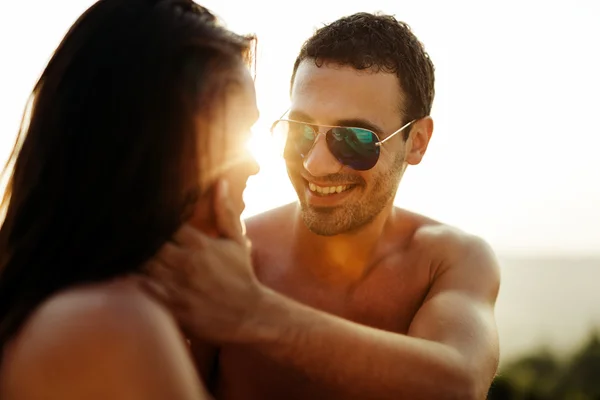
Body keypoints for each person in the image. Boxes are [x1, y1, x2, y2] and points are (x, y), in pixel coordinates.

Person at [149, 11, 502, 400]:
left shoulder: (447, 261)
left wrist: (252, 313)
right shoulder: (233, 256)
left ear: (416, 141)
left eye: (354, 139)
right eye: (300, 131)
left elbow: (460, 383)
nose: (315, 164)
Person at [0, 0, 260, 399]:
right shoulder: (110, 322)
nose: (254, 166)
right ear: (153, 151)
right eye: (232, 135)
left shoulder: (69, 306)